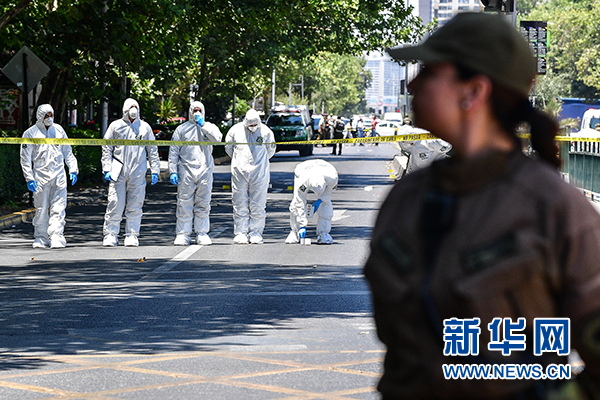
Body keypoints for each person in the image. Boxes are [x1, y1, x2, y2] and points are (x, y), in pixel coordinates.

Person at [364, 12, 600, 400]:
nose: (412, 84)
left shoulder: (552, 208)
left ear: (473, 91)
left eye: (429, 71)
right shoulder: (406, 199)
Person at [101, 98, 160, 247]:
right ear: (125, 110)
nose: (133, 111)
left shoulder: (144, 127)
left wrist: (155, 170)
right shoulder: (116, 126)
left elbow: (152, 149)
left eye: (135, 107)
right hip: (118, 171)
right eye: (131, 108)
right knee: (115, 203)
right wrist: (106, 168)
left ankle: (132, 235)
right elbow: (106, 147)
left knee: (135, 204)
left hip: (138, 172)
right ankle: (110, 234)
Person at [20, 104, 78, 249]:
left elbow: (67, 151)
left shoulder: (59, 130)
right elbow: (25, 158)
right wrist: (29, 178)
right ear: (40, 116)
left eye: (51, 114)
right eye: (46, 115)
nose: (49, 117)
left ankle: (57, 236)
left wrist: (73, 169)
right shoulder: (30, 134)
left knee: (59, 207)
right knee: (41, 208)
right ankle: (41, 237)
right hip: (40, 176)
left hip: (59, 175)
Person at [168, 101, 222, 246]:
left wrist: (203, 125)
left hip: (205, 170)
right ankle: (183, 233)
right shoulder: (181, 129)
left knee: (203, 203)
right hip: (186, 170)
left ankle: (202, 232)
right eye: (194, 110)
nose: (196, 113)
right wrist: (173, 171)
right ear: (190, 112)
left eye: (199, 110)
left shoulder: (209, 127)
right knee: (184, 203)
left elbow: (218, 139)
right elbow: (174, 151)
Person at [225, 109, 276, 244]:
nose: (253, 127)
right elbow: (229, 148)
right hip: (239, 172)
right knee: (239, 202)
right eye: (250, 125)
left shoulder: (266, 132)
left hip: (259, 172)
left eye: (255, 125)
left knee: (258, 204)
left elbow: (271, 150)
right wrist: (239, 162)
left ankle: (256, 232)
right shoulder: (235, 131)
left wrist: (260, 162)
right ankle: (240, 232)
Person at [285, 159, 338, 245]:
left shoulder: (332, 178)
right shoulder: (303, 181)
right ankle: (295, 232)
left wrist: (321, 200)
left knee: (326, 205)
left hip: (326, 168)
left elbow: (328, 192)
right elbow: (300, 201)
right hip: (303, 169)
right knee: (295, 204)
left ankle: (324, 234)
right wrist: (302, 224)